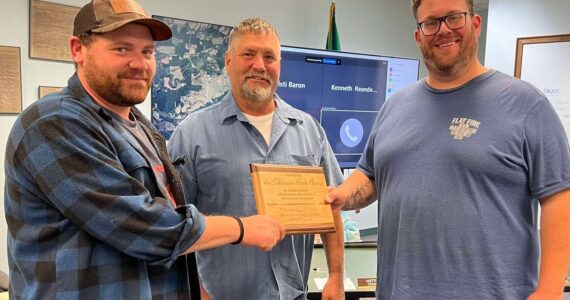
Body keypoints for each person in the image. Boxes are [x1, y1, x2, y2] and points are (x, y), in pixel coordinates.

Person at [4, 1, 285, 299]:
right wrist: (242, 229)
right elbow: (147, 227)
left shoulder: (140, 124)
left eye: (147, 52)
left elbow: (172, 218)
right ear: (78, 50)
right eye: (122, 49)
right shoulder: (53, 124)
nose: (139, 63)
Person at [326, 0, 570, 299]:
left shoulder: (525, 104)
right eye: (430, 23)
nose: (442, 30)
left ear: (475, 24)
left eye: (454, 18)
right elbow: (370, 175)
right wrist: (342, 194)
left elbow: (559, 197)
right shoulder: (394, 107)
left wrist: (550, 290)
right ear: (418, 35)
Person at [168, 18, 345, 300]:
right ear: (228, 61)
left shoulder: (310, 130)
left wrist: (336, 277)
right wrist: (196, 291)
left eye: (269, 57)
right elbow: (173, 222)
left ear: (280, 65)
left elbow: (332, 208)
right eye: (248, 54)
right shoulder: (191, 135)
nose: (259, 66)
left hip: (293, 294)